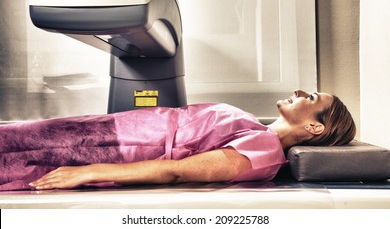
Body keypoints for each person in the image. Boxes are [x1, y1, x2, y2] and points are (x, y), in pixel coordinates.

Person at [0, 90, 355, 191]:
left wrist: (87, 171)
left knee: (10, 156)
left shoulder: (264, 152)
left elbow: (178, 172)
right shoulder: (254, 128)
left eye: (311, 99)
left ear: (315, 129)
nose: (299, 91)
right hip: (112, 131)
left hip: (112, 148)